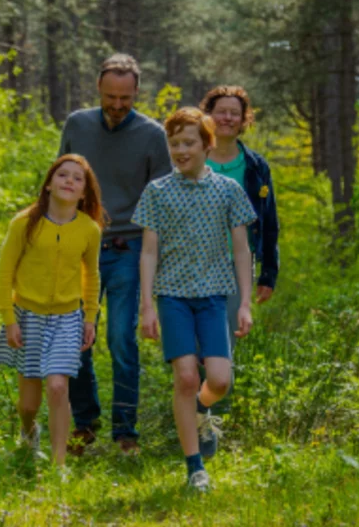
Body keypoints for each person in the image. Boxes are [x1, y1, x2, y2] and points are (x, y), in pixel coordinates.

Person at [134, 107, 257, 492]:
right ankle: (195, 468)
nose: (180, 150)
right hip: (172, 297)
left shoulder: (227, 190)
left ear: (206, 144)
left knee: (219, 381)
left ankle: (204, 408)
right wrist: (148, 304)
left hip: (213, 297)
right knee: (186, 378)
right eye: (174, 144)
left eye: (188, 143)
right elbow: (149, 252)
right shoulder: (157, 192)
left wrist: (245, 302)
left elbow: (241, 250)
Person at [59, 53, 171, 455]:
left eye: (125, 98)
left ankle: (126, 432)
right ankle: (84, 424)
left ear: (137, 92)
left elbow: (161, 201)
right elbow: (62, 181)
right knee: (74, 337)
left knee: (122, 339)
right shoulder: (77, 124)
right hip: (79, 246)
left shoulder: (152, 135)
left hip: (128, 249)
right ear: (98, 89)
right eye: (110, 97)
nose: (117, 105)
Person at [0, 154, 105, 468]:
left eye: (77, 178)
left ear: (84, 193)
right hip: (28, 317)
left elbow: (91, 276)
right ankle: (29, 431)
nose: (69, 181)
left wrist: (90, 317)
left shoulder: (89, 230)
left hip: (67, 319)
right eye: (62, 175)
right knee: (28, 404)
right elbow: (4, 273)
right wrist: (9, 319)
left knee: (57, 386)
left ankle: (59, 464)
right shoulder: (24, 223)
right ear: (49, 184)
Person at [197, 85, 281, 455]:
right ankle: (195, 413)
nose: (227, 117)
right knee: (195, 347)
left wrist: (268, 274)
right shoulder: (192, 156)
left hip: (236, 265)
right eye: (220, 111)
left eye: (234, 112)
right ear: (208, 115)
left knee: (221, 346)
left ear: (244, 119)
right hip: (194, 264)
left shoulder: (256, 165)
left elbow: (270, 221)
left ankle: (210, 420)